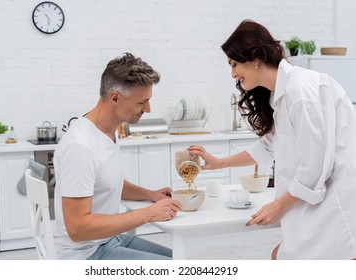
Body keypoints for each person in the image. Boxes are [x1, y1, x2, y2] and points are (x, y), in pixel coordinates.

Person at [189, 19, 356, 260]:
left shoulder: (301, 92)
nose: (233, 73)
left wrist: (278, 206)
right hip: (311, 208)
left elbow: (315, 166)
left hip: (335, 208)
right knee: (278, 258)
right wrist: (220, 163)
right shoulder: (279, 95)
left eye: (234, 64)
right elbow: (268, 145)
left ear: (256, 59)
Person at [53, 52, 182, 260]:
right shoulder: (80, 146)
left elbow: (106, 183)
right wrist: (149, 213)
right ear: (115, 97)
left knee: (182, 261)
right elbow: (77, 228)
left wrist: (150, 195)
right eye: (142, 102)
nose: (148, 109)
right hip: (87, 254)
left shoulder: (108, 131)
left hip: (110, 239)